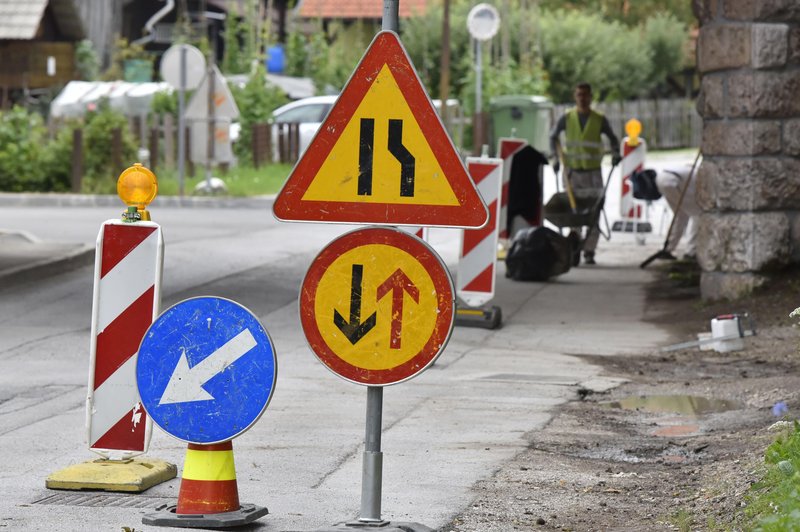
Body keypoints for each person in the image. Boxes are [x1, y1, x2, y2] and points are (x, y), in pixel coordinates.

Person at [549, 82, 621, 265]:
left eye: (586, 95)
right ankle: (574, 247)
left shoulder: (599, 119)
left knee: (593, 212)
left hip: (593, 173)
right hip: (572, 173)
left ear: (590, 97)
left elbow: (613, 139)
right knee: (573, 212)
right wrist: (555, 159)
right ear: (575, 96)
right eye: (579, 95)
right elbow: (553, 136)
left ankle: (589, 251)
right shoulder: (567, 118)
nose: (582, 98)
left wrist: (615, 154)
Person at [655, 164, 699, 261]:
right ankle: (691, 252)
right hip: (673, 182)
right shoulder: (699, 174)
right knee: (697, 214)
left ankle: (668, 248)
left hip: (661, 179)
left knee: (680, 215)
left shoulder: (689, 170)